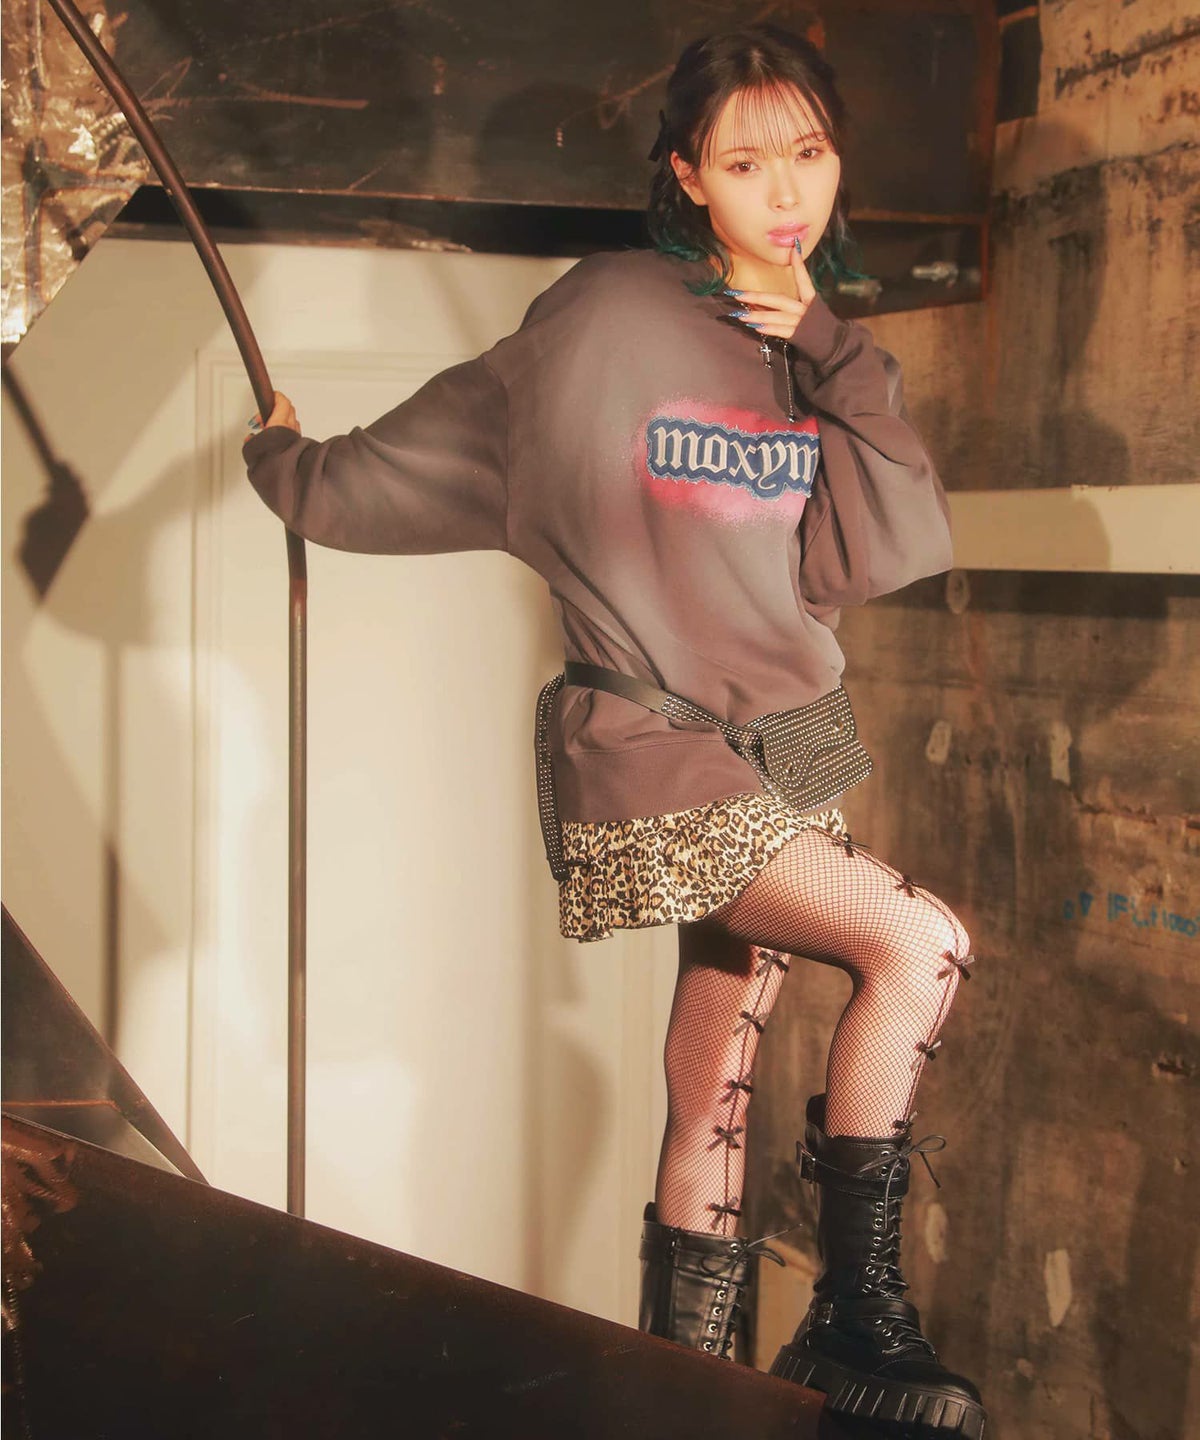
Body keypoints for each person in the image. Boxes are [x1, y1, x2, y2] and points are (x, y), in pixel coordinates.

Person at [243, 25, 986, 1438]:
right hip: (650, 757)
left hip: (788, 747)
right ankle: (858, 1313)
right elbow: (400, 469)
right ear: (687, 175)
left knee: (720, 1071)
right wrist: (284, 454)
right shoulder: (600, 317)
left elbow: (872, 556)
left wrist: (826, 348)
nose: (788, 191)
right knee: (920, 943)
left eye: (810, 153)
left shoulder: (821, 351)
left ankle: (679, 1379)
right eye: (747, 162)